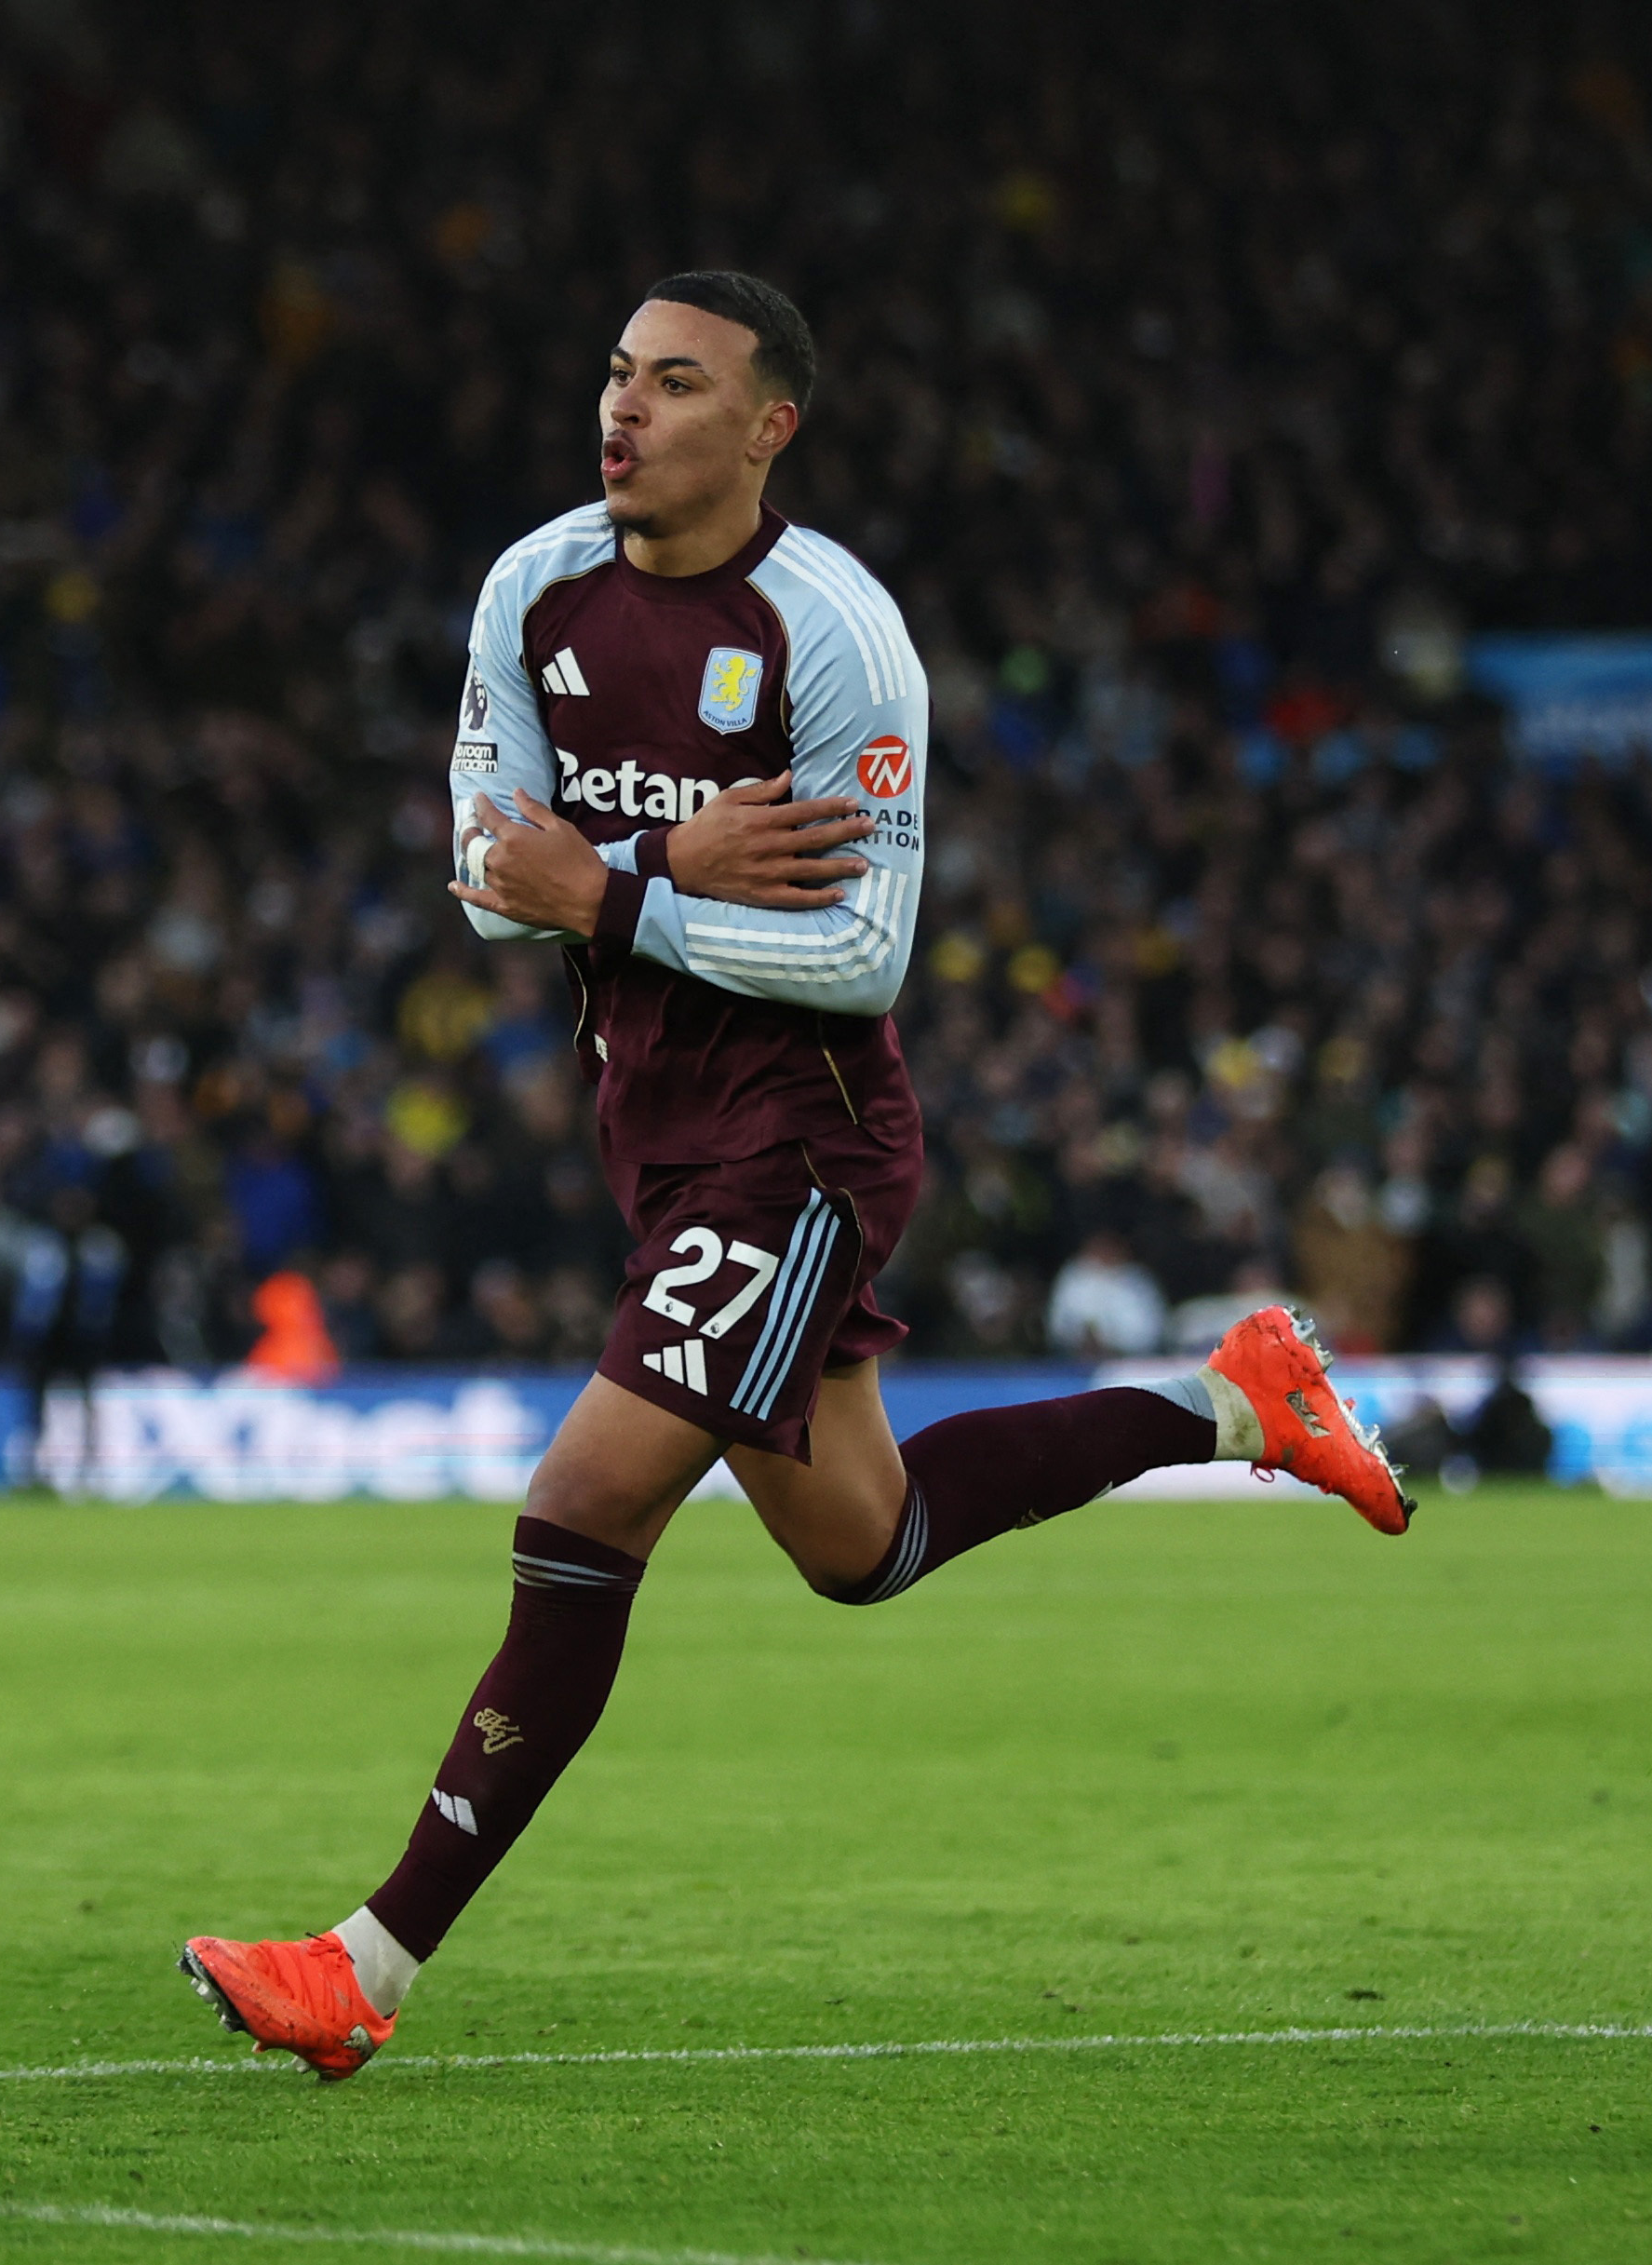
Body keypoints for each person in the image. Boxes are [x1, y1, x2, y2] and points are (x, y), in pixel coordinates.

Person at [179, 273, 1411, 2082]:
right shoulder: (533, 590)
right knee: (863, 1539)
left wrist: (602, 888)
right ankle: (1230, 1401)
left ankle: (363, 1964)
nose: (626, 409)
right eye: (614, 372)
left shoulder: (833, 635)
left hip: (805, 1135)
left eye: (676, 385)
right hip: (658, 1127)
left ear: (769, 428)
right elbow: (477, 868)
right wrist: (663, 850)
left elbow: (862, 954)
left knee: (584, 1506)